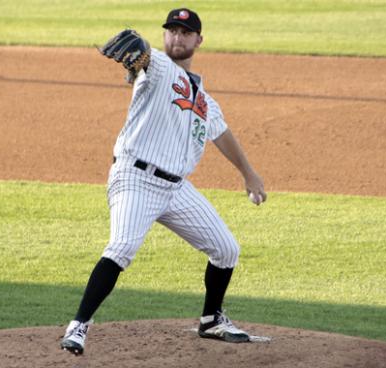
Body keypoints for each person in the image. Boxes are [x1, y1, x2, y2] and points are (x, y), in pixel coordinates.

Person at [60, 8, 267, 355]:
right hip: (135, 178)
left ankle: (211, 319)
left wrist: (249, 173)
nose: (177, 37)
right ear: (164, 37)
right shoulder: (156, 66)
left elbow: (223, 134)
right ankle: (78, 327)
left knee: (227, 249)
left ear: (199, 41)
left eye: (185, 33)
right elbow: (140, 56)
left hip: (175, 189)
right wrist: (136, 54)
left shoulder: (204, 99)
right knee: (121, 248)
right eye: (171, 31)